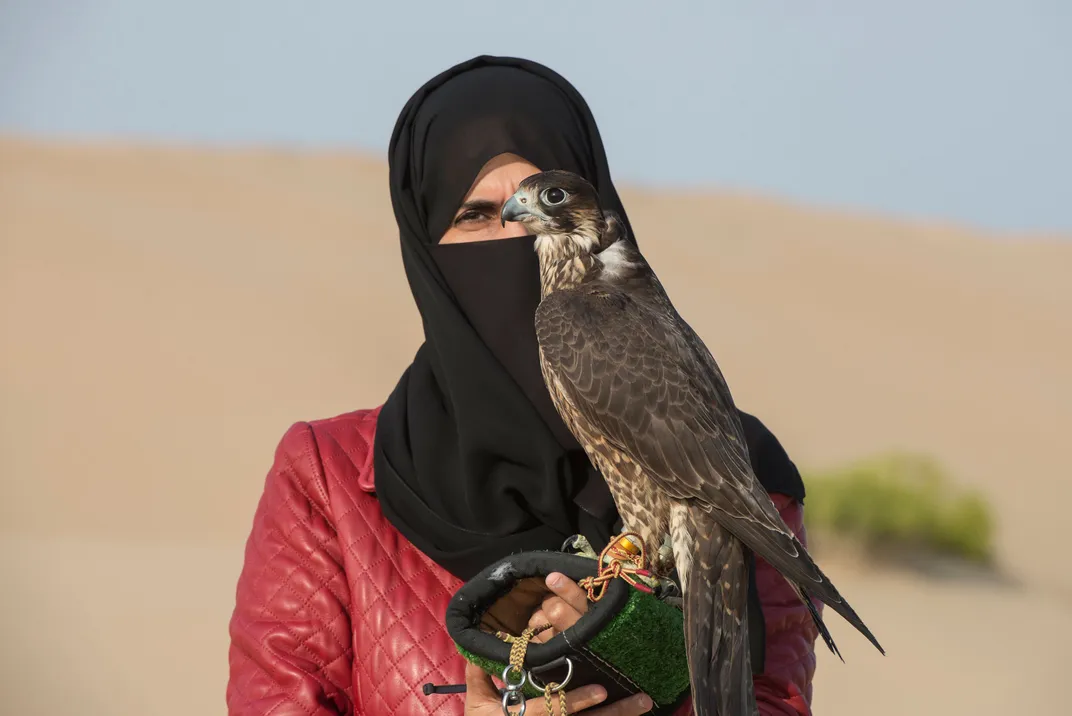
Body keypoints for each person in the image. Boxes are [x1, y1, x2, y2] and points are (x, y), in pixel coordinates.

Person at [226, 55, 819, 716]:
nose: (514, 238)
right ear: (425, 247)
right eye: (476, 216)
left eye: (543, 204)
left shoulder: (744, 466)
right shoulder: (330, 481)